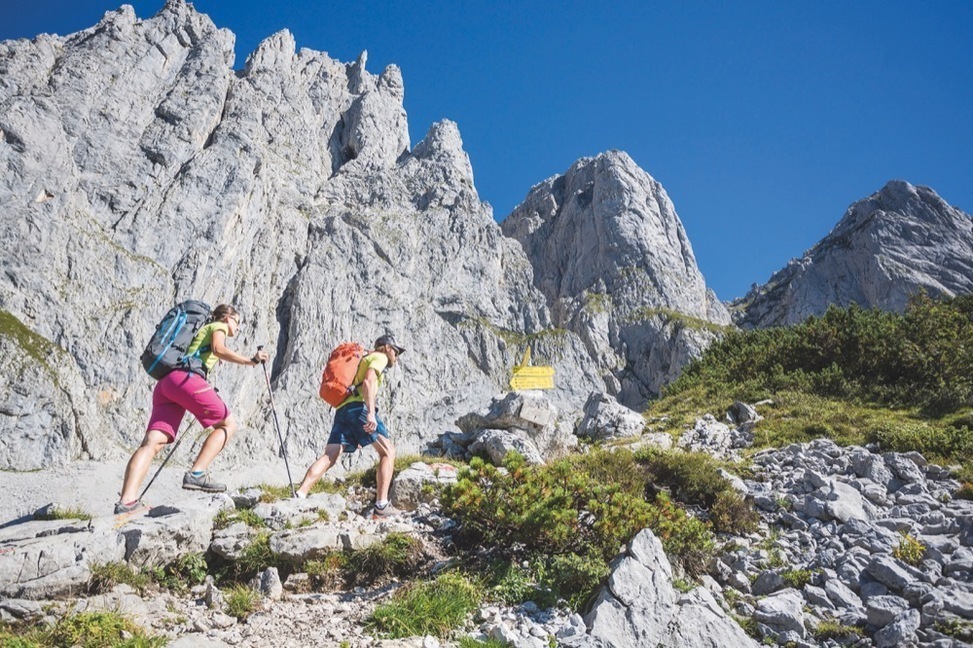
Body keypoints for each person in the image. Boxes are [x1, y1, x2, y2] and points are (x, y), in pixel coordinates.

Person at [115, 304, 268, 514]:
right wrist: (251, 361)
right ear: (227, 317)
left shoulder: (200, 331)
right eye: (237, 321)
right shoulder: (218, 326)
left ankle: (127, 501)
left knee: (153, 442)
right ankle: (197, 473)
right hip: (187, 379)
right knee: (229, 424)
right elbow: (218, 349)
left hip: (166, 383)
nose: (238, 327)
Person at [295, 333, 405, 517]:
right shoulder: (380, 357)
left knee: (331, 454)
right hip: (359, 408)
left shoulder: (365, 357)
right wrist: (370, 413)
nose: (396, 356)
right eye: (396, 351)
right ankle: (382, 505)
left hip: (342, 409)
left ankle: (300, 493)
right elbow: (369, 381)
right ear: (387, 347)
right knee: (388, 451)